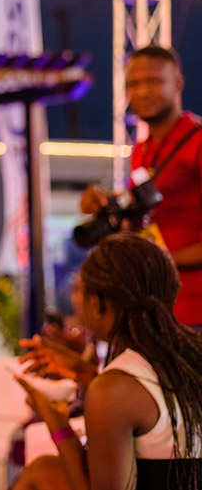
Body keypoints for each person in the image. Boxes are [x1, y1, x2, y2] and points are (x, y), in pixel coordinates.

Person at [11, 233, 202, 490]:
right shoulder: (188, 354)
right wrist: (88, 373)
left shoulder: (114, 389)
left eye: (81, 290)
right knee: (44, 469)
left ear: (98, 302)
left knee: (39, 472)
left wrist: (57, 423)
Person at [81, 46, 202, 328]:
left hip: (195, 313)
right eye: (133, 84)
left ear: (178, 84)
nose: (142, 92)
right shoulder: (142, 150)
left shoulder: (197, 141)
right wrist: (105, 205)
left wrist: (162, 259)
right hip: (157, 309)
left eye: (154, 81)